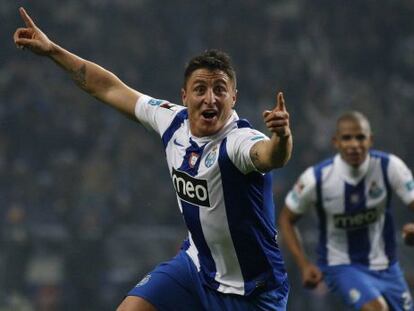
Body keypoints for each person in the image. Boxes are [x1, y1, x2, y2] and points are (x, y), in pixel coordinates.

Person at [14, 7, 292, 311]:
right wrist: (53, 50)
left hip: (251, 291)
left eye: (219, 90)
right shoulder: (171, 120)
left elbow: (270, 157)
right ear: (184, 96)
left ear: (233, 98)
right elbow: (107, 87)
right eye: (200, 89)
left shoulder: (238, 141)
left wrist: (282, 137)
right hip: (195, 267)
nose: (210, 98)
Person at [279, 110, 414, 311]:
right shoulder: (316, 178)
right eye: (347, 138)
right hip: (341, 266)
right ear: (336, 142)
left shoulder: (390, 167)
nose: (354, 144)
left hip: (387, 266)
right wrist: (303, 264)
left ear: (370, 140)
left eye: (360, 137)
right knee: (378, 309)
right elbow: (286, 219)